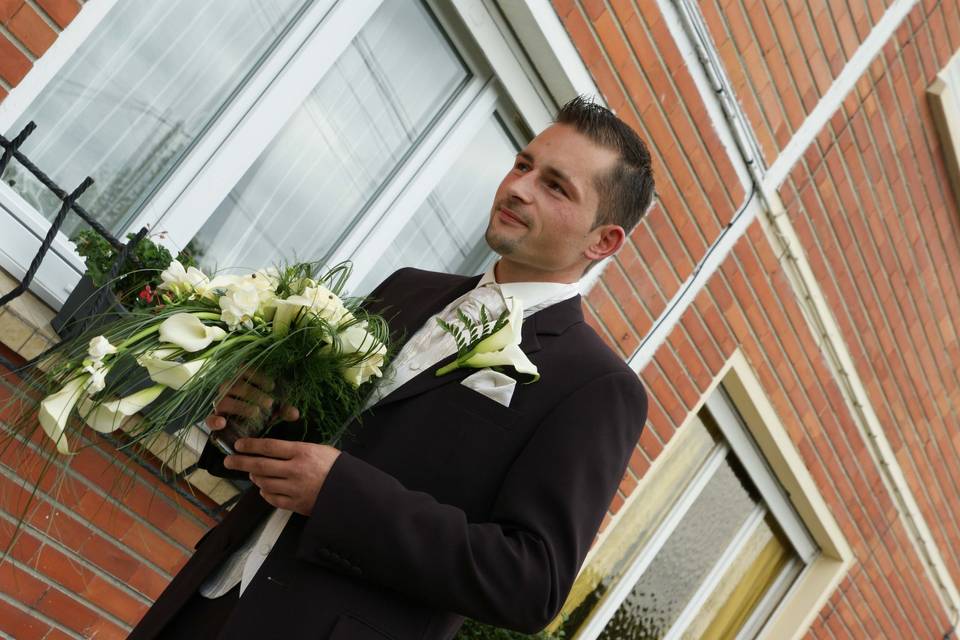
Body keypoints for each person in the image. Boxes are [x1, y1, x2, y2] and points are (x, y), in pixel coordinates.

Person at [129, 95, 655, 640]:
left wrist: (340, 495)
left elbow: (530, 582)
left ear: (604, 241)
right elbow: (329, 441)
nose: (518, 187)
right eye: (523, 165)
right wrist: (260, 422)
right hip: (209, 599)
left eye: (555, 186)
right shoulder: (407, 287)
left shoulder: (597, 386)